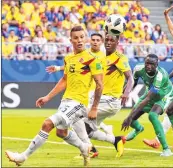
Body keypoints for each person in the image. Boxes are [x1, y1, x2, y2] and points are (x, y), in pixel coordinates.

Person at [5, 25, 104, 167]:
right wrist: (47, 97)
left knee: (47, 123)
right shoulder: (68, 58)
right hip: (66, 101)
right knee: (61, 132)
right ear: (71, 40)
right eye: (76, 38)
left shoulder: (92, 59)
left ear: (86, 38)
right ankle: (84, 148)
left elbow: (100, 84)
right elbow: (64, 80)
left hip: (79, 103)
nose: (80, 40)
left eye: (82, 37)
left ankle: (22, 157)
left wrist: (94, 107)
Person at [73, 33, 134, 158]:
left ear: (117, 43)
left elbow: (130, 78)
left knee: (75, 117)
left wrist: (126, 92)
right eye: (107, 40)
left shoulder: (119, 58)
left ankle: (89, 149)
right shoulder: (100, 58)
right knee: (87, 129)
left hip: (110, 100)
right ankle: (114, 141)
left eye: (112, 40)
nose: (109, 42)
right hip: (102, 100)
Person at [143, 5, 173, 149]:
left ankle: (157, 139)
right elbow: (172, 30)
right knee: (172, 112)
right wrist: (166, 16)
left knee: (170, 111)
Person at [121, 54, 173, 156]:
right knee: (131, 120)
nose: (149, 66)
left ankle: (166, 149)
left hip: (164, 95)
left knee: (152, 116)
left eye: (152, 64)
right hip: (149, 93)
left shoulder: (160, 76)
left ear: (157, 64)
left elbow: (148, 99)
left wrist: (129, 116)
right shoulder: (138, 69)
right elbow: (133, 83)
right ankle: (138, 129)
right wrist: (125, 93)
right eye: (147, 63)